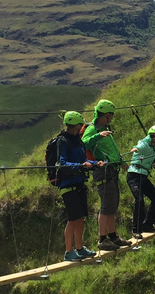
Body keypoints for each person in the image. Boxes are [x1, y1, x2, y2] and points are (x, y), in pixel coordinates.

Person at [82, 99, 132, 251]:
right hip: (102, 171)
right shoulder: (93, 129)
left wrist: (121, 161)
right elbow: (83, 143)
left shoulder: (105, 129)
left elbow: (112, 150)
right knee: (106, 205)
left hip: (111, 170)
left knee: (112, 205)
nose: (111, 118)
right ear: (104, 115)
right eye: (110, 115)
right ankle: (102, 239)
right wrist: (99, 135)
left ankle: (113, 237)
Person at [58, 111, 102, 261]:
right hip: (68, 185)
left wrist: (96, 163)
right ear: (72, 126)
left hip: (79, 183)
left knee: (81, 217)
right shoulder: (63, 141)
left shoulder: (78, 141)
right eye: (78, 127)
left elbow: (84, 160)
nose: (79, 130)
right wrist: (79, 165)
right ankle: (68, 252)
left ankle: (79, 248)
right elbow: (61, 163)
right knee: (73, 218)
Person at [127, 125, 155, 239]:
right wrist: (136, 149)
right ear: (148, 136)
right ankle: (136, 229)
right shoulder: (144, 144)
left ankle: (147, 225)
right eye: (152, 137)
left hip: (143, 177)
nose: (154, 139)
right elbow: (139, 146)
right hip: (134, 175)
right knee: (139, 200)